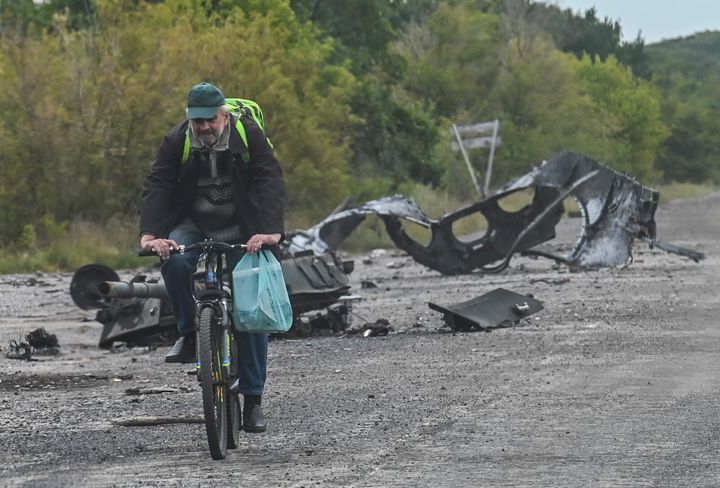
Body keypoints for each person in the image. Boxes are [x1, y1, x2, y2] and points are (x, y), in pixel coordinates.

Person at [139, 82, 285, 433]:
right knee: (174, 259)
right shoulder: (178, 140)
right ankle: (190, 333)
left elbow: (269, 179)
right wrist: (150, 235)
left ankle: (253, 400)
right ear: (188, 120)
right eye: (196, 121)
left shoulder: (248, 134)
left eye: (210, 120)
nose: (203, 128)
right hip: (193, 221)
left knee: (249, 310)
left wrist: (271, 231)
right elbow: (158, 184)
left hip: (243, 225)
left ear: (224, 116)